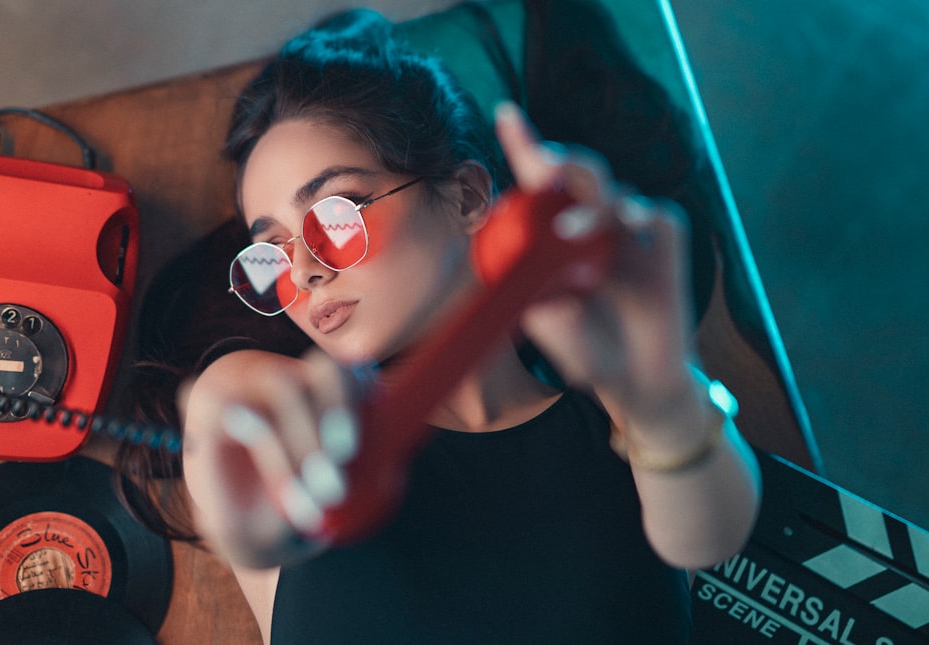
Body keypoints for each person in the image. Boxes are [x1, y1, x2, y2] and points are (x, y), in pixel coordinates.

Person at [170, 6, 761, 643]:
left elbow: (711, 541)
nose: (306, 271)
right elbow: (229, 420)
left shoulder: (621, 424)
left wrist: (661, 394)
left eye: (336, 216)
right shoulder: (277, 404)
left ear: (468, 197)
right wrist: (262, 492)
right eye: (272, 252)